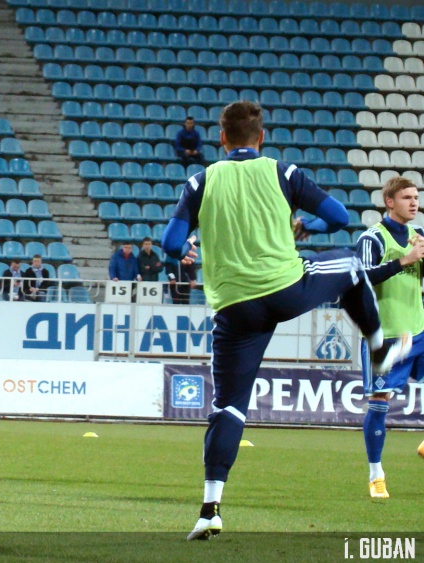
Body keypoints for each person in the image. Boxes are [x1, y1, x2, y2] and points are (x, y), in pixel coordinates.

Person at [161, 101, 411, 541]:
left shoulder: (200, 181)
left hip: (233, 307)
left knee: (227, 406)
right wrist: (306, 226)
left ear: (222, 139)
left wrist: (187, 248)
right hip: (285, 288)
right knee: (351, 263)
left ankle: (210, 509)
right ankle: (378, 348)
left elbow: (170, 243)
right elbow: (340, 217)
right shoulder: (282, 172)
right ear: (261, 138)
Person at [355, 176, 424, 499]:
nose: (414, 202)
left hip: (418, 330)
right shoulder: (372, 238)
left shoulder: (418, 236)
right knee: (380, 402)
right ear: (389, 202)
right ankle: (376, 475)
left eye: (416, 197)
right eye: (407, 197)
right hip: (385, 337)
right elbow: (361, 278)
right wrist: (403, 261)